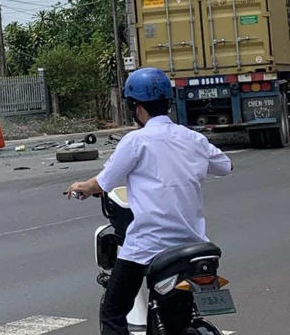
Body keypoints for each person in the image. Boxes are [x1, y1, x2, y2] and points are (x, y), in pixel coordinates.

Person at [66, 67, 233, 335]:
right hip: (194, 244)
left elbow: (103, 182)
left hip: (149, 245)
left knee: (113, 310)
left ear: (135, 106)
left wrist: (81, 188)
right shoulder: (193, 138)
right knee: (181, 314)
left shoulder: (136, 141)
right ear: (167, 102)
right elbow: (225, 166)